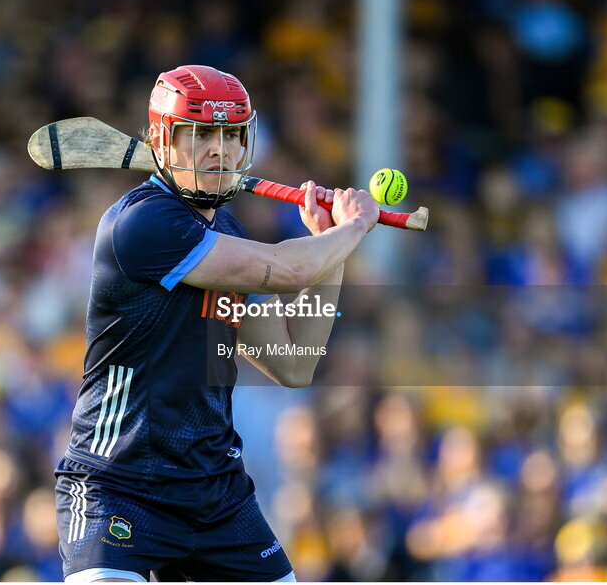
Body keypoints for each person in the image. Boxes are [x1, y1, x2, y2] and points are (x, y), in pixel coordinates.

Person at [54, 64, 379, 582]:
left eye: (231, 136)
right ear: (162, 139)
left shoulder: (225, 231)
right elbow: (290, 269)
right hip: (119, 486)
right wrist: (355, 227)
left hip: (216, 495)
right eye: (201, 134)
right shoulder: (144, 224)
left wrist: (331, 252)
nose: (219, 151)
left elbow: (293, 364)